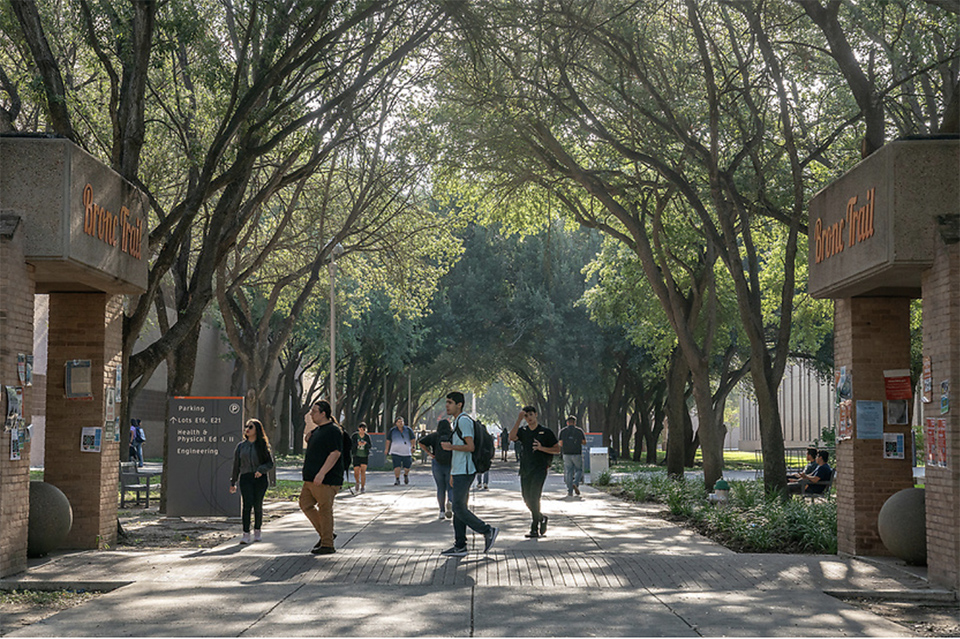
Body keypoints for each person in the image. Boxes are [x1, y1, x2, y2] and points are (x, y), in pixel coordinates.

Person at [439, 391, 498, 557]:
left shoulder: (464, 421)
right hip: (458, 470)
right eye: (447, 402)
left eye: (450, 402)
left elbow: (470, 446)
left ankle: (487, 530)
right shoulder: (457, 421)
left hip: (465, 471)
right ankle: (460, 546)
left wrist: (450, 447)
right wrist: (452, 471)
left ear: (459, 404)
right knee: (459, 508)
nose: (447, 405)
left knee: (457, 506)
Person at [509, 405, 561, 538]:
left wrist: (542, 448)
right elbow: (512, 437)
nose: (529, 418)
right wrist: (519, 419)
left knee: (535, 496)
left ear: (536, 415)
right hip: (525, 469)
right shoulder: (523, 430)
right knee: (526, 498)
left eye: (530, 415)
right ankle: (541, 517)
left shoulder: (545, 431)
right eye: (526, 416)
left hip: (540, 468)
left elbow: (557, 449)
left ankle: (534, 528)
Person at [300, 401, 344, 555]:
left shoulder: (332, 430)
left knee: (325, 509)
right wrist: (309, 438)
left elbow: (335, 453)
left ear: (323, 413)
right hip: (310, 479)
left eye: (314, 411)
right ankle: (327, 534)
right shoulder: (317, 430)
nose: (311, 414)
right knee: (305, 504)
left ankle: (327, 544)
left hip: (325, 480)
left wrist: (322, 473)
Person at [230, 419, 274, 544]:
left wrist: (261, 470)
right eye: (246, 427)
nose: (247, 429)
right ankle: (245, 534)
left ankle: (257, 530)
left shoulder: (262, 445)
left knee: (257, 505)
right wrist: (233, 482)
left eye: (251, 427)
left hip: (260, 478)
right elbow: (236, 465)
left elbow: (270, 463)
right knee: (247, 505)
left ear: (257, 430)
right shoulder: (241, 446)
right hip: (245, 478)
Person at [419, 419, 454, 519]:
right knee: (450, 487)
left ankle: (442, 511)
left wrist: (429, 453)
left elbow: (421, 442)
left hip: (437, 463)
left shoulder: (435, 436)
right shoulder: (453, 435)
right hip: (450, 464)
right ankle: (450, 502)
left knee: (440, 488)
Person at [559, 415, 587, 497]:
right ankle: (575, 483)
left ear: (567, 422)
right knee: (579, 470)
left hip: (566, 453)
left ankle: (569, 490)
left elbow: (560, 443)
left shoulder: (563, 431)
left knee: (569, 471)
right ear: (575, 423)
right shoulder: (579, 431)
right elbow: (584, 442)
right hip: (577, 453)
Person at [385, 416, 416, 486]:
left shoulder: (408, 430)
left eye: (401, 421)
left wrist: (413, 447)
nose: (400, 423)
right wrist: (386, 449)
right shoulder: (392, 431)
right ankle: (397, 479)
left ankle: (406, 475)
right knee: (397, 466)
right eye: (399, 422)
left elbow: (413, 439)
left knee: (407, 467)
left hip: (406, 452)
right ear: (396, 423)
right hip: (395, 452)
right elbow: (388, 440)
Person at [351, 422, 372, 493]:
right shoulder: (354, 436)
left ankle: (362, 487)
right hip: (356, 456)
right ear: (358, 429)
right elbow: (351, 445)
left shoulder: (367, 437)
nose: (362, 431)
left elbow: (370, 445)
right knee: (356, 471)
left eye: (364, 429)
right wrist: (357, 444)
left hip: (364, 456)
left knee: (363, 472)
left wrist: (366, 444)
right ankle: (357, 482)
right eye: (361, 429)